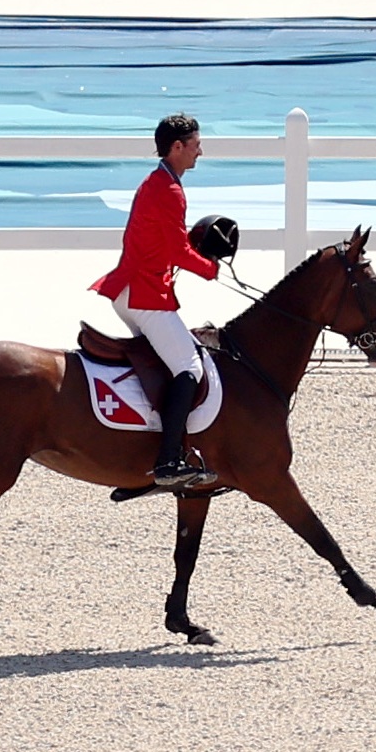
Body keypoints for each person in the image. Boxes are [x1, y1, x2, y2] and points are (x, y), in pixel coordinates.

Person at [93, 110, 227, 489]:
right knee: (188, 366)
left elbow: (172, 241)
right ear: (177, 147)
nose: (201, 151)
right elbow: (176, 250)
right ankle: (168, 461)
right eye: (196, 145)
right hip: (146, 294)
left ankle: (149, 444)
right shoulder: (168, 189)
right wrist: (210, 269)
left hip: (132, 289)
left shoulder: (157, 181)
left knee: (166, 362)